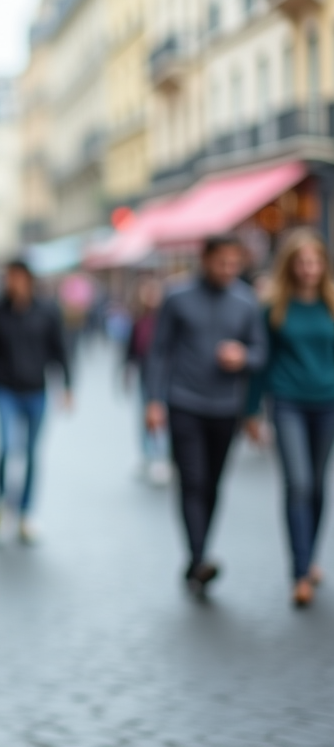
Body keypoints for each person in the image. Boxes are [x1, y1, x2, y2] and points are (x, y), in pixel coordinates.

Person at [145, 234, 266, 597]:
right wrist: (153, 401)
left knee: (212, 483)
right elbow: (158, 351)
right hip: (184, 402)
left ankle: (199, 553)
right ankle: (198, 557)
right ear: (205, 259)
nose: (228, 270)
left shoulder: (246, 302)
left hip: (226, 406)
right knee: (192, 481)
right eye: (222, 262)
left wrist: (243, 356)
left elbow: (261, 353)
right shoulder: (177, 296)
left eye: (235, 264)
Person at [245, 229, 334, 607]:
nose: (309, 269)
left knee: (316, 484)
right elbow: (261, 364)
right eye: (302, 262)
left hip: (327, 401)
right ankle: (299, 572)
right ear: (290, 266)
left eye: (315, 262)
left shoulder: (331, 304)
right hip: (287, 401)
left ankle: (310, 557)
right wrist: (250, 411)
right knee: (297, 483)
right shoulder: (273, 308)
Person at [0, 260, 72, 541]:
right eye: (9, 277)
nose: (13, 283)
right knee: (6, 448)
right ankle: (1, 503)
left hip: (36, 391)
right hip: (5, 389)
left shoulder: (47, 310)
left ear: (29, 280)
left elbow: (60, 348)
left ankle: (25, 512)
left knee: (31, 453)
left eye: (18, 277)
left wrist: (67, 385)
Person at [125, 278, 171, 484]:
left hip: (167, 376)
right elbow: (131, 349)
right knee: (146, 415)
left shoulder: (168, 320)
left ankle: (162, 457)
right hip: (145, 375)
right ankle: (149, 455)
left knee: (164, 416)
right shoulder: (139, 321)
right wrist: (126, 370)